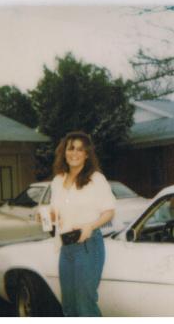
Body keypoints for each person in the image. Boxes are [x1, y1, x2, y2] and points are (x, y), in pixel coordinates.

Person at [50, 131, 116, 317]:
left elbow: (109, 212)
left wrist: (90, 226)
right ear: (64, 152)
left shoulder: (96, 179)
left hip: (88, 246)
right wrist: (48, 216)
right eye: (71, 148)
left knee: (84, 305)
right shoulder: (58, 180)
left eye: (80, 149)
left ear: (87, 154)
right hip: (66, 247)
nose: (74, 153)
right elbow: (56, 213)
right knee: (69, 306)